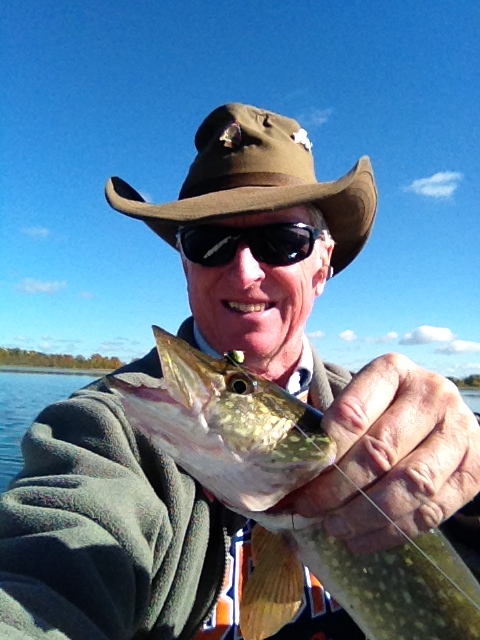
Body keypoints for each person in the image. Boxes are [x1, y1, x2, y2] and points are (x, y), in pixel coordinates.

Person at [0, 103, 479, 640]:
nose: (245, 272)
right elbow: (39, 579)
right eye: (210, 241)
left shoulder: (399, 433)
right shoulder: (102, 431)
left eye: (283, 240)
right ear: (185, 264)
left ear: (321, 268)